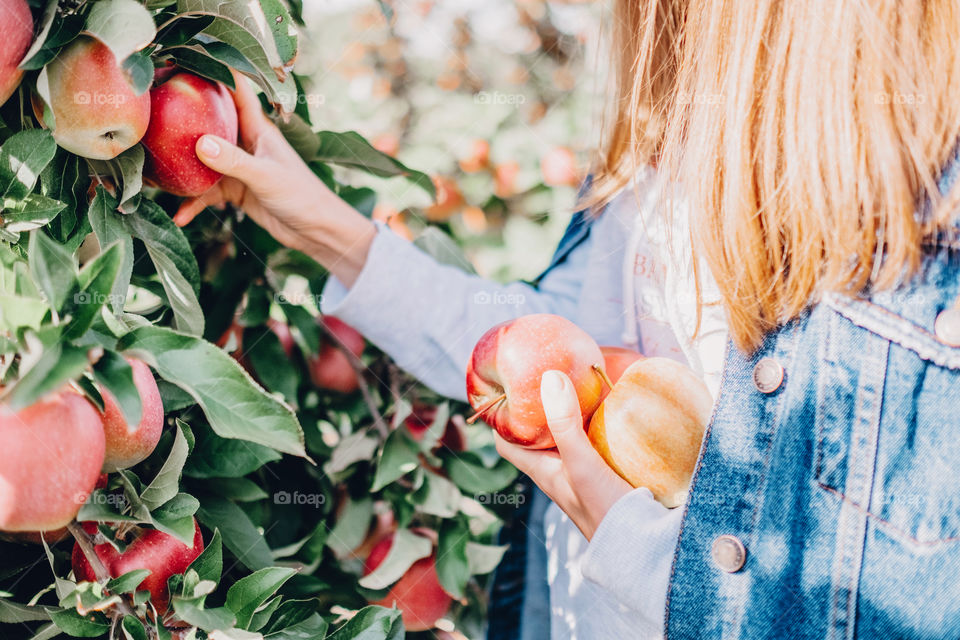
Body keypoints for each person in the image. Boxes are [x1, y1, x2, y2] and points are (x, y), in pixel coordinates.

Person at [176, 0, 960, 638]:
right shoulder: (669, 106)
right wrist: (325, 228)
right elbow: (564, 348)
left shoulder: (920, 209)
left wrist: (627, 542)